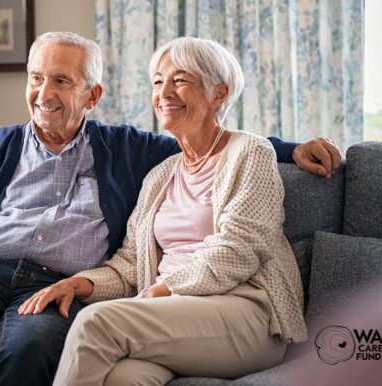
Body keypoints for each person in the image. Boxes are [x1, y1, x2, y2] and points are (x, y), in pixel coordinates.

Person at [0, 32, 338, 386]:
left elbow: (218, 143)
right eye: (36, 78)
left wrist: (294, 149)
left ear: (91, 96)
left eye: (61, 80)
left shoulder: (130, 150)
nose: (44, 92)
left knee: (35, 349)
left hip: (55, 284)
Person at [18, 37, 308, 385]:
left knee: (95, 322)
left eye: (180, 80)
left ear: (218, 94)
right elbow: (129, 266)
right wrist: (76, 284)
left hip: (246, 314)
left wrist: (162, 289)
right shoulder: (161, 174)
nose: (164, 92)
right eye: (158, 81)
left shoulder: (250, 152)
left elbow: (240, 250)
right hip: (171, 315)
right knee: (123, 379)